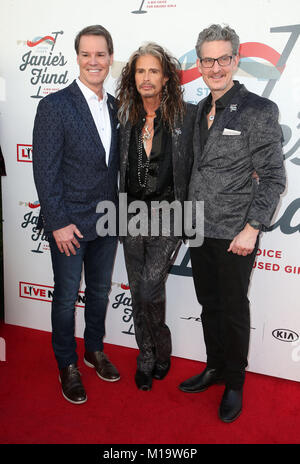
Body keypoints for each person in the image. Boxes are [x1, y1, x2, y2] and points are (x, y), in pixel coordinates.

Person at [179, 24, 286, 422]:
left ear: (236, 60)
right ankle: (215, 366)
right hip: (197, 227)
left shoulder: (259, 110)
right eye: (208, 59)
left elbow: (273, 177)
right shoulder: (197, 111)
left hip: (236, 233)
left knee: (234, 308)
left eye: (224, 58)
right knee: (209, 304)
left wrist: (253, 227)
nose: (216, 67)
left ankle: (235, 382)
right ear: (200, 63)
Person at [33, 25, 120, 405]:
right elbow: (44, 170)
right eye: (86, 54)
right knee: (67, 297)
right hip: (69, 223)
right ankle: (67, 363)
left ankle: (94, 349)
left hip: (107, 220)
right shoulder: (55, 106)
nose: (93, 61)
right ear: (78, 57)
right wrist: (57, 222)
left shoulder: (117, 105)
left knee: (99, 292)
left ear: (110, 58)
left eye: (100, 54)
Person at [116, 43, 196, 391]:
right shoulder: (123, 117)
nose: (146, 78)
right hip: (130, 214)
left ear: (166, 78)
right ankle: (146, 356)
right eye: (140, 71)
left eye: (153, 71)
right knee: (138, 291)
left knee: (150, 287)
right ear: (132, 78)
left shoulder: (187, 117)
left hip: (169, 216)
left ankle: (162, 350)